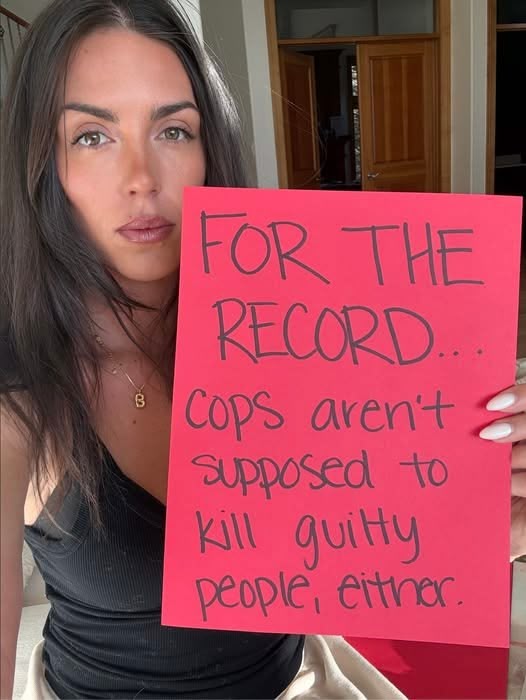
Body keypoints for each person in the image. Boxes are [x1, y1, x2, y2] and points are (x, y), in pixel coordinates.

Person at [0, 1, 524, 698]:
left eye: (173, 130)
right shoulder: (19, 389)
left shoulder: (304, 334)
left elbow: (364, 543)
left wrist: (477, 524)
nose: (141, 177)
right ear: (42, 163)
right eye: (91, 136)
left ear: (211, 146)